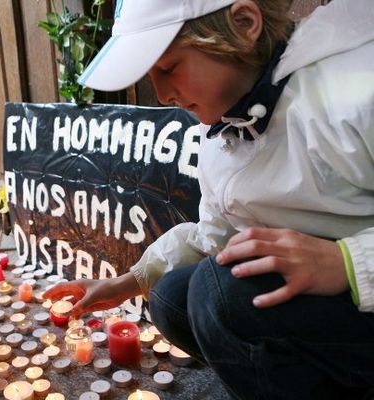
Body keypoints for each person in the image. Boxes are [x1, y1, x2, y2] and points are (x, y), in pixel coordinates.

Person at [44, 1, 374, 399]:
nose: (163, 94)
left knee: (218, 295)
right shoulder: (224, 131)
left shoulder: (356, 91)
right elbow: (214, 235)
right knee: (171, 296)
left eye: (169, 68)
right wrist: (125, 284)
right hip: (325, 309)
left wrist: (347, 263)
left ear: (243, 24)